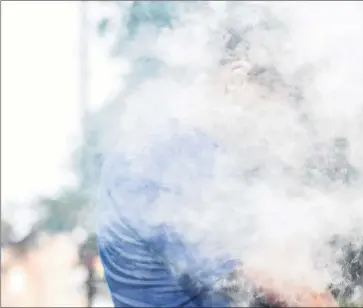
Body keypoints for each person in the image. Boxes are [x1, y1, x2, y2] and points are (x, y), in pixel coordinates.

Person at [97, 46, 337, 307]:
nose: (272, 131)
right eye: (271, 112)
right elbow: (278, 279)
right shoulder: (168, 157)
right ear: (236, 78)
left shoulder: (193, 154)